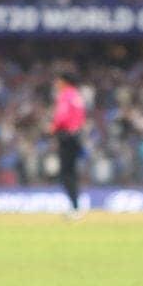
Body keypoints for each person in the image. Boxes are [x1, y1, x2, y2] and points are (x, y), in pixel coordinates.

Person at [50, 74, 87, 217]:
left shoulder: (65, 95)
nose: (56, 83)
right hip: (76, 136)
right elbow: (80, 117)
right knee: (71, 172)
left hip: (66, 136)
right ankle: (76, 206)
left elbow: (62, 116)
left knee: (66, 173)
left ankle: (75, 207)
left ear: (64, 82)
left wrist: (53, 128)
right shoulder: (76, 95)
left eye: (58, 81)